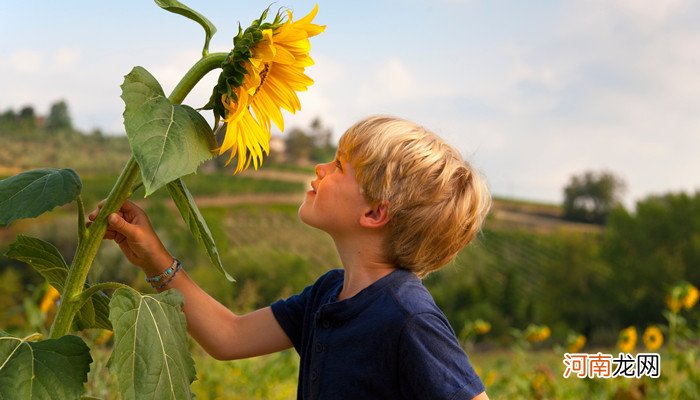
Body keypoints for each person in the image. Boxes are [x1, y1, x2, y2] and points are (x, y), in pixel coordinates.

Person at [89, 115, 492, 399]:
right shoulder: (329, 294)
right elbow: (229, 337)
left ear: (374, 213)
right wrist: (151, 256)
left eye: (338, 165)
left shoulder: (408, 317)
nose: (319, 168)